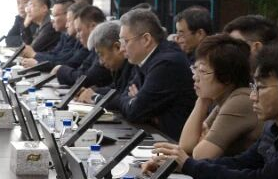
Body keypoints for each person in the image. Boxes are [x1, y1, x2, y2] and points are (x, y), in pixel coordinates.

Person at [143, 42, 278, 179]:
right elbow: (243, 162)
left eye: (261, 88)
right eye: (253, 87)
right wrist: (181, 164)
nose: (253, 96)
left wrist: (191, 165)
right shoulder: (274, 124)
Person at [80, 8, 195, 141]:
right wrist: (134, 101)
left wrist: (135, 101)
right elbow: (125, 94)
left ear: (146, 39)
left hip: (171, 141)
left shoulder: (167, 63)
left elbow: (134, 111)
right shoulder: (145, 59)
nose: (122, 48)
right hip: (154, 133)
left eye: (125, 41)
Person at [148, 34, 260, 162]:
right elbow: (187, 145)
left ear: (227, 77)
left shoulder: (240, 100)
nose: (195, 77)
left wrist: (203, 139)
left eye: (202, 71)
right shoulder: (223, 99)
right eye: (195, 69)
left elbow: (200, 155)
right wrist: (202, 100)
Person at [54, 5, 108, 87]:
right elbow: (82, 70)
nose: (77, 36)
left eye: (79, 30)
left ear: (93, 27)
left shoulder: (106, 48)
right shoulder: (94, 49)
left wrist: (60, 69)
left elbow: (86, 79)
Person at [21, 0, 75, 67]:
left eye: (55, 16)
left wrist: (35, 56)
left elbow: (63, 61)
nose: (28, 10)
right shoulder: (64, 34)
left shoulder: (50, 28)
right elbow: (54, 54)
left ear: (68, 16)